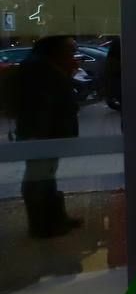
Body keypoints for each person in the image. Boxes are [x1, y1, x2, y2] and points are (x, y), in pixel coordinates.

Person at [14, 36, 83, 238]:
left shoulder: (42, 67)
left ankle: (54, 219)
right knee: (39, 178)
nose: (73, 55)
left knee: (45, 176)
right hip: (42, 135)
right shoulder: (41, 70)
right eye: (70, 51)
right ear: (56, 51)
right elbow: (42, 106)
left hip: (45, 134)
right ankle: (42, 226)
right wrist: (41, 139)